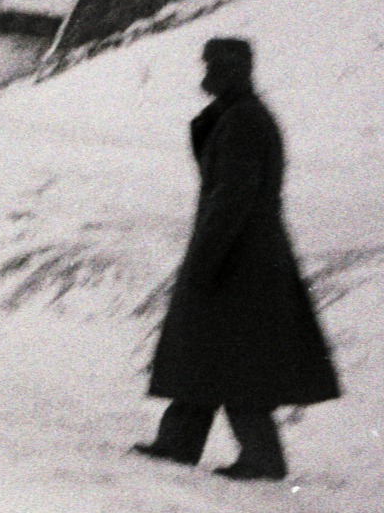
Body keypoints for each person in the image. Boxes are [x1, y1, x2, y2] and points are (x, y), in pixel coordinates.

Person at [133, 38, 340, 481]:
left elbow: (233, 196)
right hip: (243, 250)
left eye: (212, 66)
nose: (204, 73)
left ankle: (260, 457)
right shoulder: (237, 116)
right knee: (213, 350)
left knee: (233, 357)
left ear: (232, 71)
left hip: (241, 254)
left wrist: (206, 259)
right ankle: (180, 442)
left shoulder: (244, 121)